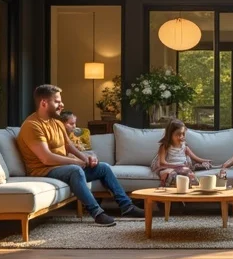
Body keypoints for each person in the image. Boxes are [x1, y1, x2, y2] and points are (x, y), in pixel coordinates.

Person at [16, 84, 144, 226]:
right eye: (57, 101)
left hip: (62, 169)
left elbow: (68, 145)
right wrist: (76, 162)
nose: (62, 105)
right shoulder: (32, 126)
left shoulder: (56, 122)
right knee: (75, 170)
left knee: (104, 168)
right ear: (44, 103)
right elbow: (46, 158)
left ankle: (127, 206)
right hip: (43, 171)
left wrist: (85, 159)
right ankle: (97, 213)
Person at [150, 118, 211, 187]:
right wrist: (177, 166)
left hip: (182, 168)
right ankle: (171, 190)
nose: (181, 136)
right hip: (169, 168)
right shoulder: (165, 146)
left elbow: (195, 158)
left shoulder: (184, 147)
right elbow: (162, 162)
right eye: (178, 134)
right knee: (172, 174)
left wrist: (205, 161)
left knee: (190, 173)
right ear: (170, 134)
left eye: (183, 134)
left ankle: (193, 189)